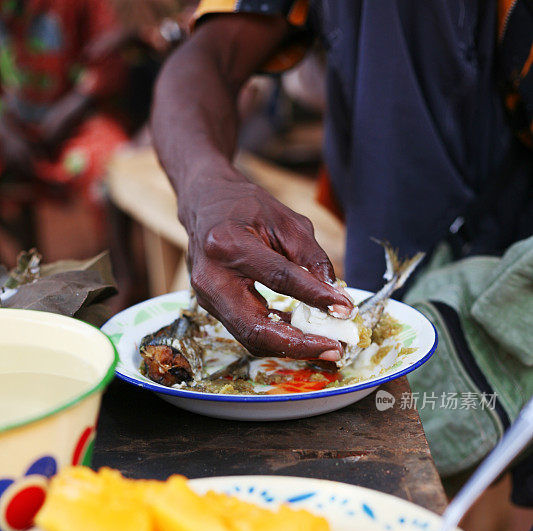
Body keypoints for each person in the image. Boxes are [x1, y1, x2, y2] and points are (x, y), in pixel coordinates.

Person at [151, 0, 533, 362]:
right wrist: (205, 187)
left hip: (514, 253)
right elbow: (208, 58)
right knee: (374, 376)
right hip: (385, 245)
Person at [0, 0, 129, 213]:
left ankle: (118, 247)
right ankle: (24, 244)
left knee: (117, 167)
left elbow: (108, 56)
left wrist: (76, 102)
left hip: (76, 123)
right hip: (9, 130)